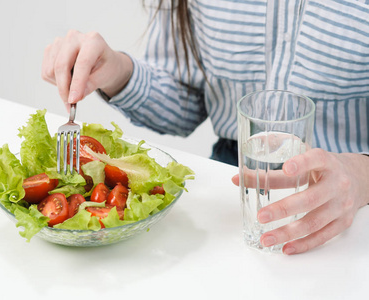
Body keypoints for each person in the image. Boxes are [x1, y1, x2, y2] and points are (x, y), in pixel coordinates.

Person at [41, 0, 369, 255]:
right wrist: (117, 72)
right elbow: (187, 101)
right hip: (233, 189)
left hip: (356, 211)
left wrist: (362, 176)